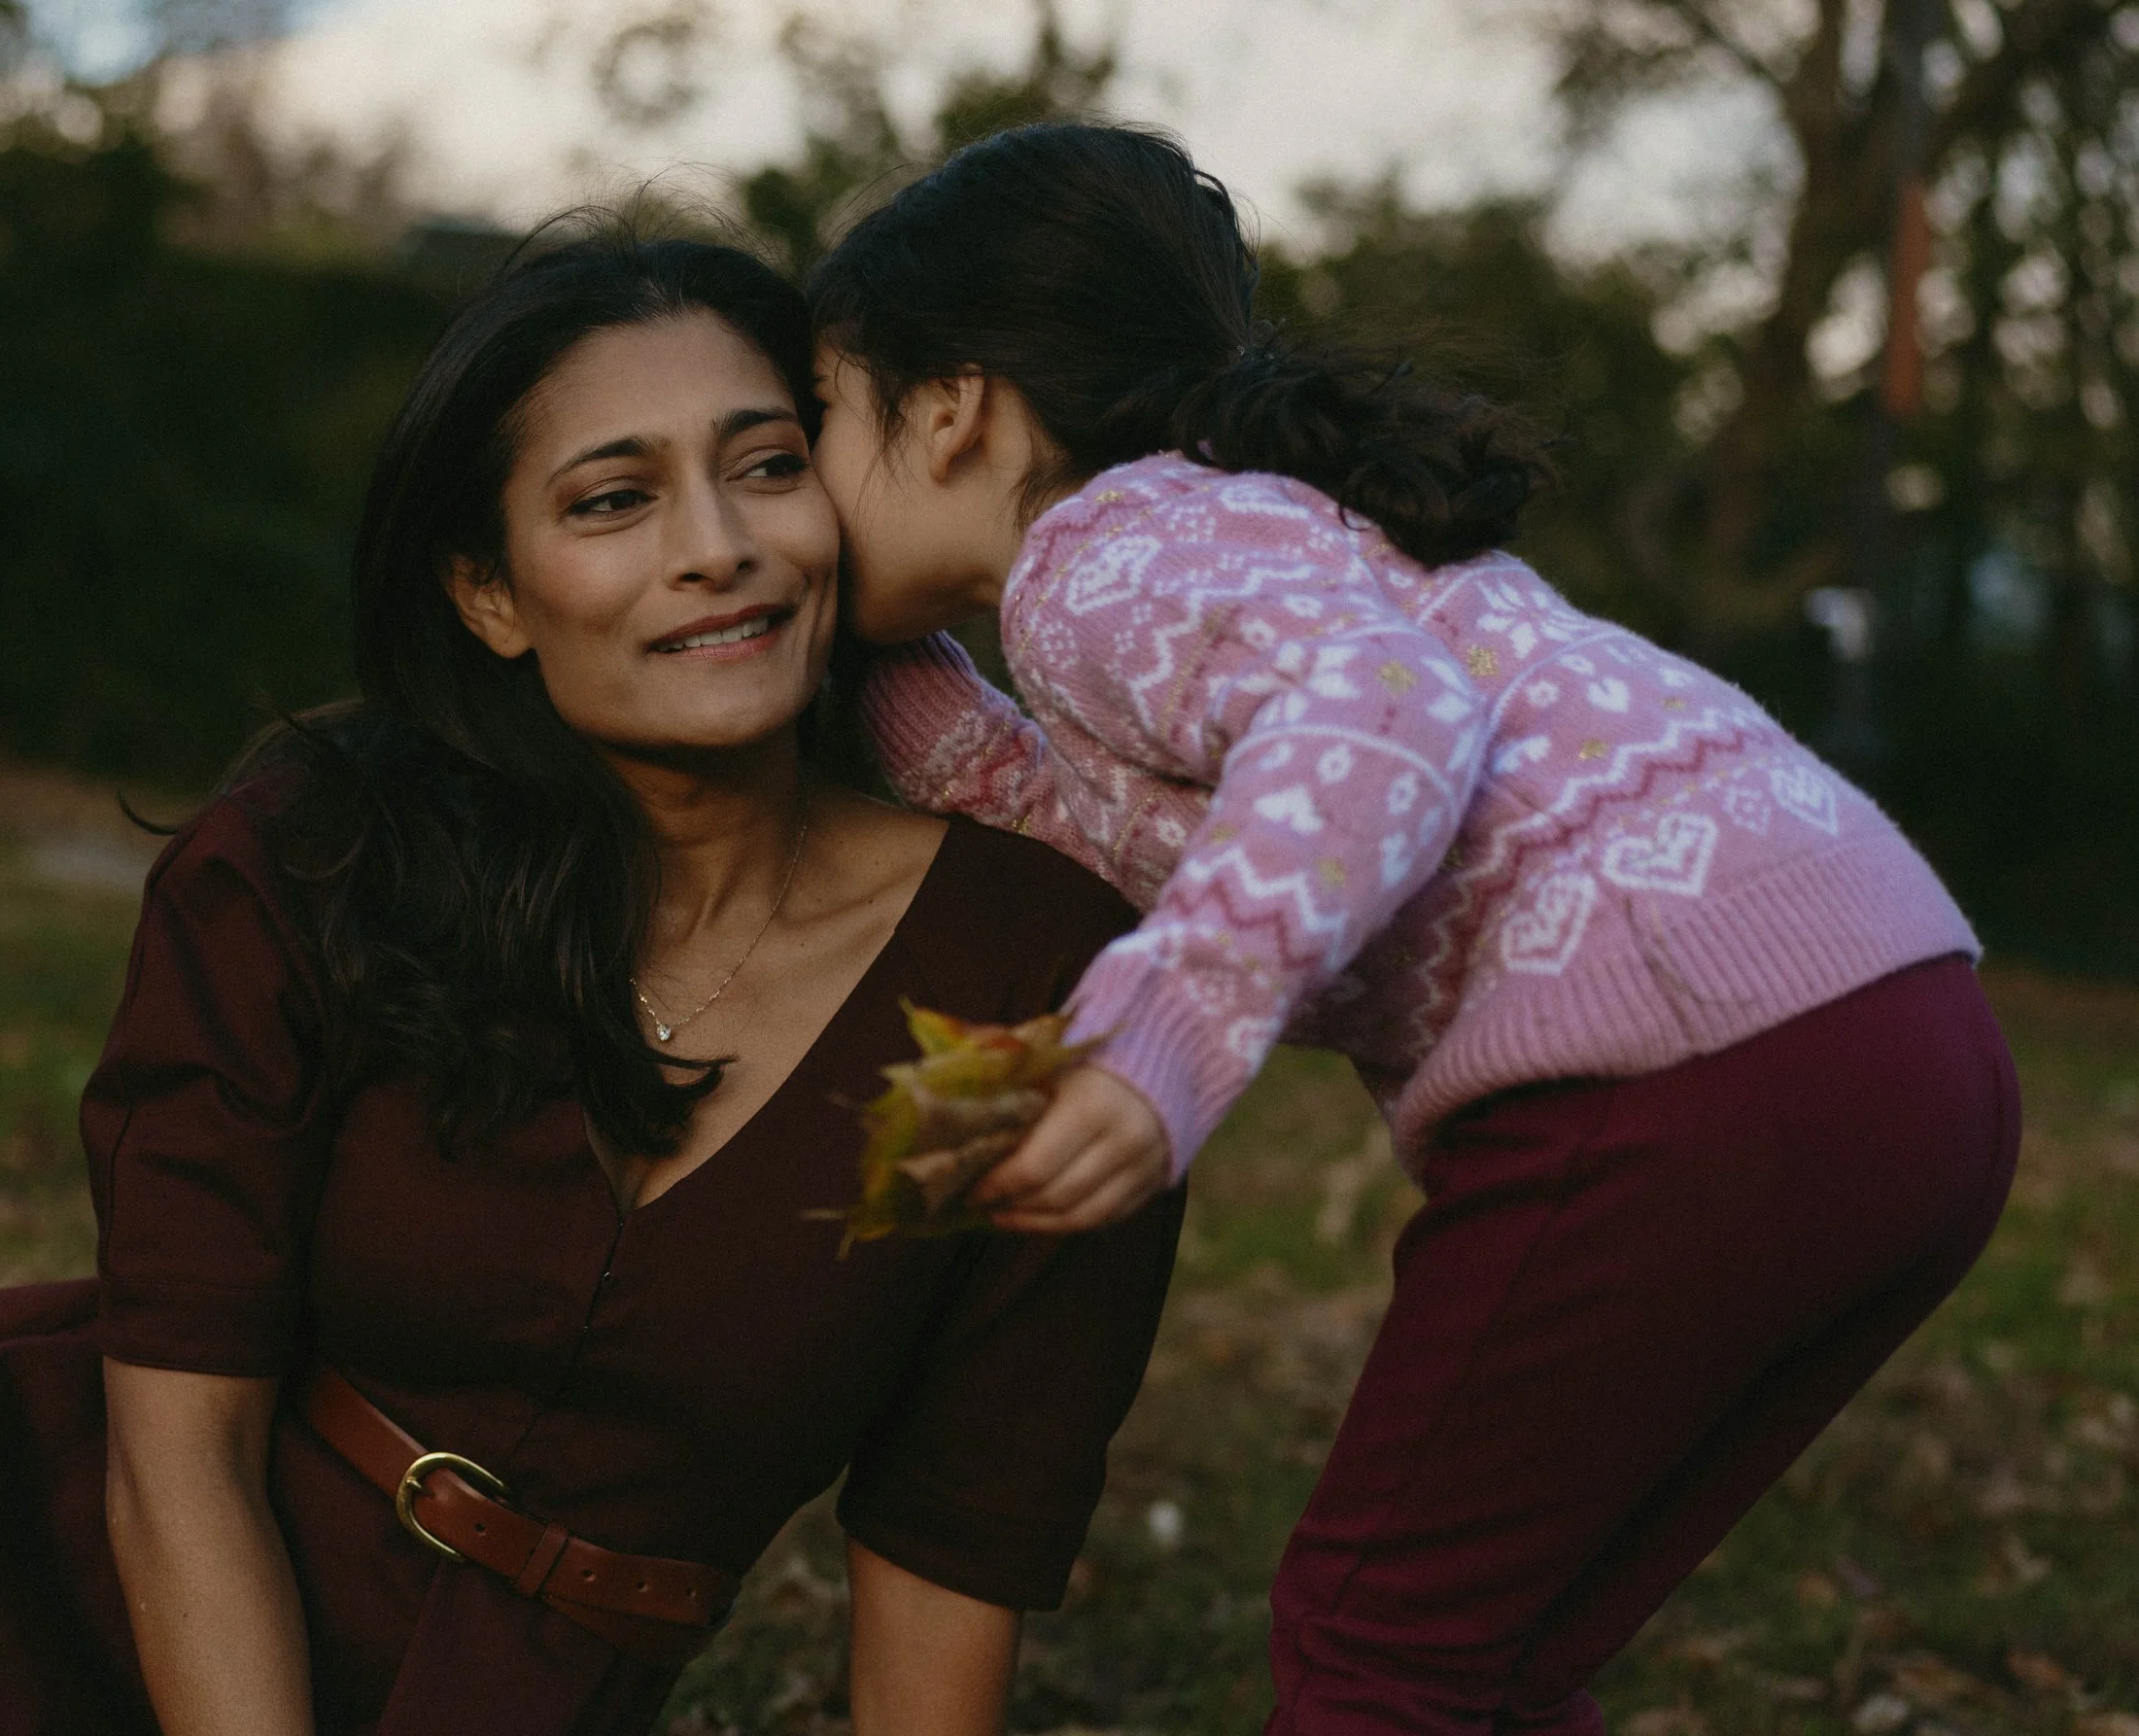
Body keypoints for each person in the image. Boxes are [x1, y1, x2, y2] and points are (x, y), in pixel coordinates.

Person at [0, 225, 1185, 1736]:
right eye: (614, 499)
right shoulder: (323, 853)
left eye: (764, 465)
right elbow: (179, 1448)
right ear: (489, 593)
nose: (717, 547)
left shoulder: (1030, 980)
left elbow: (949, 1543)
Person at [806, 122, 2018, 1735]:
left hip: (1676, 1063)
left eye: (814, 418)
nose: (794, 480)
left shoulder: (1098, 556)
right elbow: (1100, 822)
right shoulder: (1231, 529)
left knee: (1379, 1646)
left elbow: (1382, 714)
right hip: (1899, 1035)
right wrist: (846, 658)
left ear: (947, 403)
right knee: (1489, 1656)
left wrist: (1167, 1030)